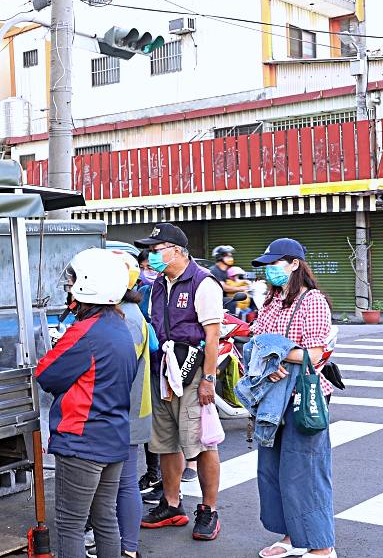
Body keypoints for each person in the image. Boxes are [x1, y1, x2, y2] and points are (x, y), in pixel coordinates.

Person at [36, 248, 137, 558]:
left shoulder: (84, 332)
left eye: (74, 280)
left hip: (82, 442)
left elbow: (46, 374)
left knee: (70, 525)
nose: (69, 285)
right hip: (114, 438)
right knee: (106, 519)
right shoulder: (121, 326)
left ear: (89, 285)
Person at [135, 223, 223, 541]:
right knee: (165, 442)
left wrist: (208, 380)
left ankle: (209, 510)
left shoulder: (203, 283)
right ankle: (172, 504)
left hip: (193, 372)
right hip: (163, 373)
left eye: (156, 250)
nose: (151, 255)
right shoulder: (159, 283)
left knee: (200, 444)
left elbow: (212, 336)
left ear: (176, 251)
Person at [248, 239, 336, 558]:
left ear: (295, 264)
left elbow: (317, 353)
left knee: (305, 470)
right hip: (273, 398)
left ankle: (322, 546)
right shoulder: (272, 300)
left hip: (303, 396)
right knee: (274, 470)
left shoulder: (312, 300)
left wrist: (277, 357)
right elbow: (257, 340)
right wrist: (269, 363)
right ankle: (290, 536)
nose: (269, 270)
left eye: (275, 263)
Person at [109, 251, 153, 558]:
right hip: (129, 411)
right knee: (122, 484)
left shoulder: (128, 319)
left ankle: (128, 548)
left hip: (127, 413)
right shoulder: (124, 313)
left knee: (124, 484)